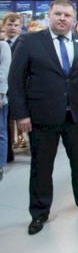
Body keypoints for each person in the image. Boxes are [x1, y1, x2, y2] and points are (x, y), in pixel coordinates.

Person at [8, 0, 78, 235]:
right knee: (41, 167)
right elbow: (15, 80)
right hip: (42, 116)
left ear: (73, 19)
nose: (62, 18)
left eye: (67, 15)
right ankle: (39, 212)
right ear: (49, 15)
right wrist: (21, 114)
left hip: (77, 116)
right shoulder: (29, 42)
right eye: (58, 14)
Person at [3, 12, 25, 156]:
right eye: (9, 24)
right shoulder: (2, 44)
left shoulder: (24, 43)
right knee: (5, 122)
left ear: (20, 27)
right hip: (4, 87)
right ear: (4, 25)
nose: (12, 27)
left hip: (19, 88)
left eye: (16, 25)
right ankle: (8, 152)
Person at [0, 38, 10, 180]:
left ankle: (0, 165)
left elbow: (4, 72)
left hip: (1, 96)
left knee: (0, 131)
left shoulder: (3, 46)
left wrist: (1, 93)